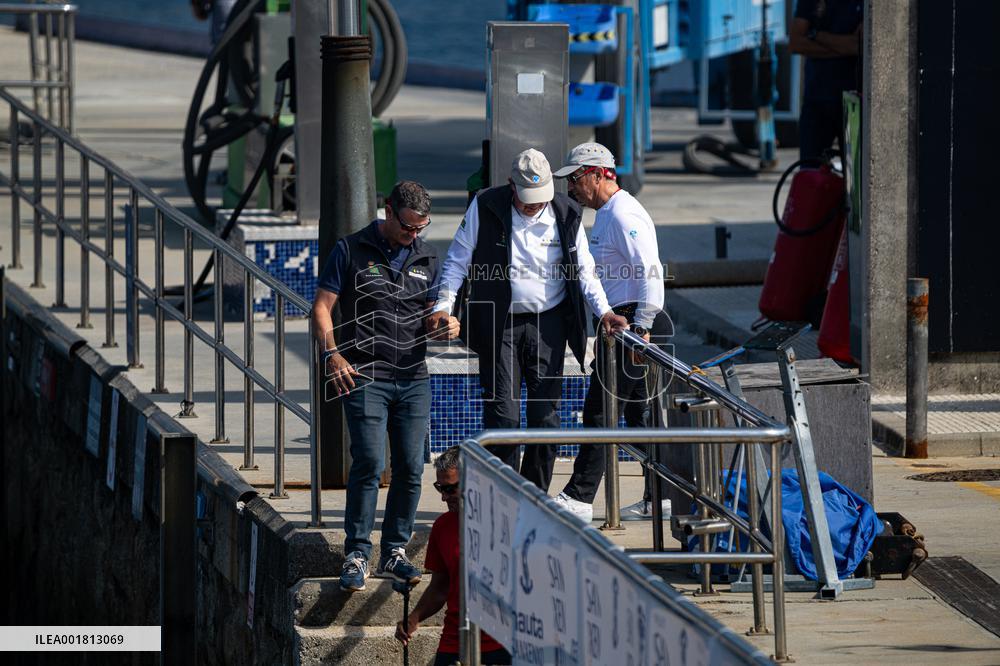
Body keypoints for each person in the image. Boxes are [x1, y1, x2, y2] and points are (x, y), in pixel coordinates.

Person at [426, 149, 627, 492]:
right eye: (527, 199)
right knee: (503, 416)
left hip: (548, 324)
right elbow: (457, 260)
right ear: (511, 186)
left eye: (541, 198)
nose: (535, 206)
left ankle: (534, 494)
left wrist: (605, 311)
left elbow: (586, 273)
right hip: (500, 324)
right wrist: (443, 306)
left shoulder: (566, 212)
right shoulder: (486, 205)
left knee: (545, 419)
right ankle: (504, 493)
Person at [312, 180, 459, 592]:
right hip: (364, 375)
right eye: (408, 227)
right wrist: (332, 354)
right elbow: (322, 308)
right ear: (388, 212)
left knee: (412, 467)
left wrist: (442, 324)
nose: (414, 235)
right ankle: (358, 552)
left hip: (413, 377)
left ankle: (395, 550)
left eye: (421, 228)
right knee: (370, 463)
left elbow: (430, 313)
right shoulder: (350, 249)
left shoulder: (427, 256)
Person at [549, 142, 672, 524]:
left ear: (600, 173)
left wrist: (642, 331)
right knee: (639, 420)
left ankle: (579, 497)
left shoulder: (623, 214)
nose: (571, 187)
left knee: (600, 413)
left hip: (633, 325)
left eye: (576, 178)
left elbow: (651, 271)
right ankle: (662, 497)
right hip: (622, 323)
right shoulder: (604, 214)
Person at [395, 447, 511, 666]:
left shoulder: (509, 523)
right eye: (440, 488)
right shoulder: (442, 526)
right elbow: (441, 586)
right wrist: (414, 618)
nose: (443, 497)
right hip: (456, 640)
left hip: (504, 642)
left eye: (450, 489)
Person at [789, 0, 864, 161]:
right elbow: (796, 44)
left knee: (854, 179)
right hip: (816, 102)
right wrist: (843, 46)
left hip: (853, 104)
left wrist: (816, 35)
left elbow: (859, 46)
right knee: (811, 173)